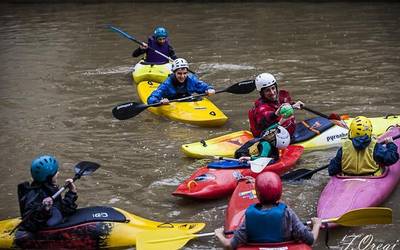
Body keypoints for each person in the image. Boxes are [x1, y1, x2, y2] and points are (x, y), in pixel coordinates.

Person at [215, 172, 322, 250]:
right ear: (280, 193)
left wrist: (219, 234)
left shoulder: (250, 216)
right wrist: (316, 224)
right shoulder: (287, 212)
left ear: (257, 195)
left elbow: (229, 245)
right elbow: (310, 239)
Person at [17, 155, 78, 232]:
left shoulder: (49, 189)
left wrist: (72, 192)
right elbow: (30, 224)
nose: (58, 173)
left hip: (52, 220)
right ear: (49, 178)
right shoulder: (34, 196)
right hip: (42, 232)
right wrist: (44, 211)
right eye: (55, 173)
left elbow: (62, 209)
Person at [328, 116, 399, 176]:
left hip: (347, 179)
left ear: (352, 131)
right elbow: (391, 158)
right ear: (370, 130)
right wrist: (390, 144)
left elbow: (332, 170)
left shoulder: (344, 148)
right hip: (372, 179)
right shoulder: (376, 147)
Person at [248, 73, 304, 137]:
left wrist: (294, 106)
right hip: (271, 139)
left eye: (273, 88)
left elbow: (284, 106)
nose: (272, 92)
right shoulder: (261, 108)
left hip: (288, 133)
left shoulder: (279, 98)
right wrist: (275, 114)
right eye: (267, 90)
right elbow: (265, 119)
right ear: (262, 93)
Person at [147, 58, 215, 105]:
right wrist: (159, 101)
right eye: (179, 73)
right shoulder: (167, 84)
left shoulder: (191, 79)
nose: (182, 76)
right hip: (171, 102)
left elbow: (204, 87)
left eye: (185, 73)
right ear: (174, 73)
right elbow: (151, 99)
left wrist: (209, 89)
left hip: (187, 101)